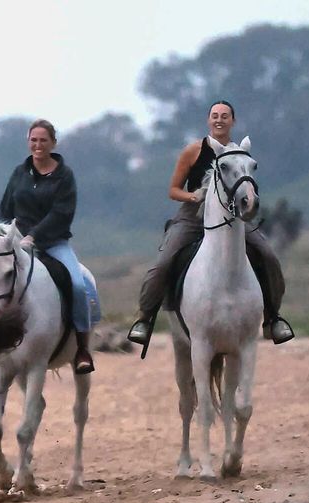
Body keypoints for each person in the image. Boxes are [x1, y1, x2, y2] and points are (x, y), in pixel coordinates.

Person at [126, 101, 294, 347]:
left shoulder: (239, 155)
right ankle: (145, 318)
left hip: (232, 218)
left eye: (225, 116)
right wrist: (193, 196)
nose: (219, 120)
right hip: (193, 216)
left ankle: (273, 318)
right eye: (215, 115)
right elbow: (173, 190)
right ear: (208, 120)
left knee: (268, 255)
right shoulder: (193, 151)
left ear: (233, 121)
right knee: (164, 262)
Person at [0, 119, 102, 374]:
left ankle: (82, 347)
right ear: (28, 142)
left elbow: (61, 213)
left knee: (77, 284)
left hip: (53, 243)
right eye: (34, 140)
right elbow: (5, 209)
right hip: (15, 245)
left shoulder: (65, 175)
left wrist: (34, 236)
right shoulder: (19, 173)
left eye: (43, 140)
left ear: (53, 143)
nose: (38, 145)